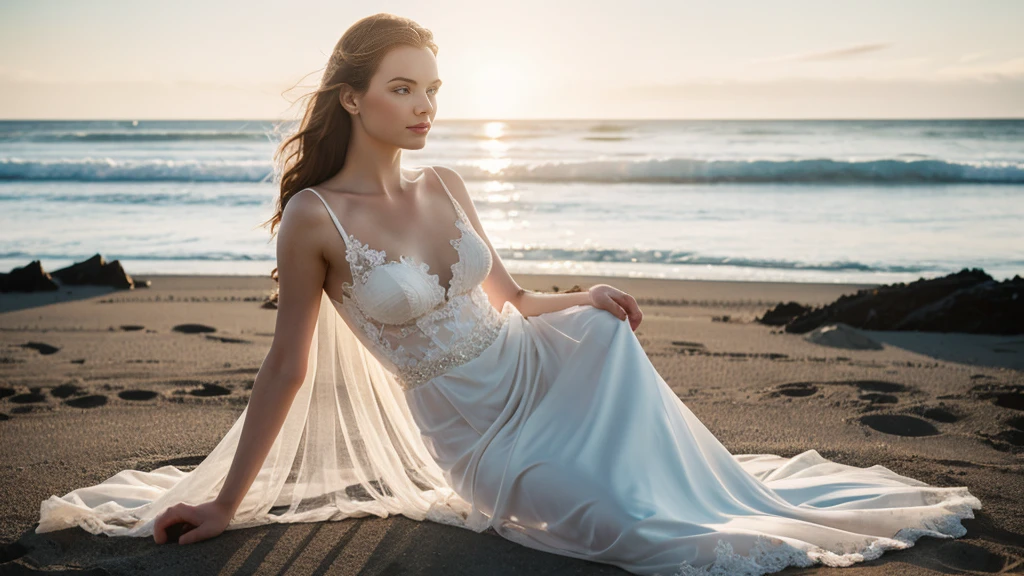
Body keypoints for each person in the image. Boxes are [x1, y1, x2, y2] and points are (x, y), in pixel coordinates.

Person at [37, 13, 982, 576]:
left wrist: (585, 295)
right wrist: (230, 504)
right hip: (478, 438)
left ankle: (699, 476)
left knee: (606, 339)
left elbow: (515, 297)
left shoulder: (445, 181)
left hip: (538, 366)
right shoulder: (313, 222)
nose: (423, 106)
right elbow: (286, 368)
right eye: (403, 88)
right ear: (351, 98)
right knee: (618, 525)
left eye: (433, 90)